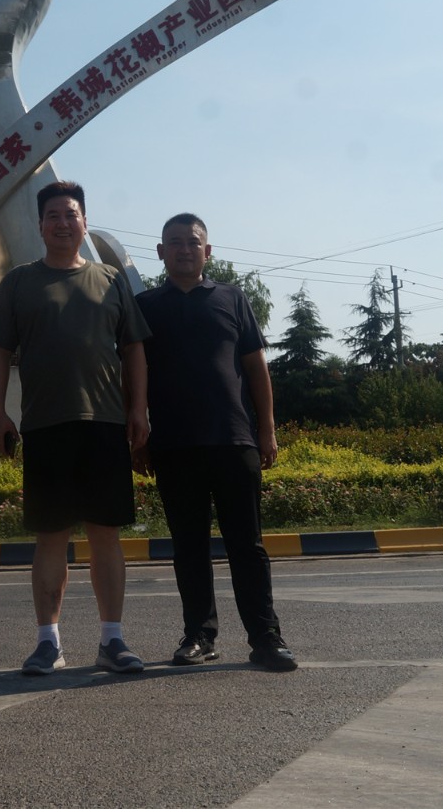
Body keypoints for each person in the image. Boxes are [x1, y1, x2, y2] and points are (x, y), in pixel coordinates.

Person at [0, 180, 151, 676]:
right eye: (53, 215)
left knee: (106, 536)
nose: (63, 222)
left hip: (105, 423)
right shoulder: (19, 282)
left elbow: (133, 349)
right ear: (40, 225)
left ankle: (112, 639)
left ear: (84, 222)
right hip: (45, 424)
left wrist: (139, 409)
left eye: (71, 214)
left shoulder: (111, 279)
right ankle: (48, 643)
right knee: (50, 537)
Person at [134, 213, 298, 672]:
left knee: (247, 545)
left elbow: (256, 366)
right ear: (160, 252)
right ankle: (199, 636)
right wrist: (138, 435)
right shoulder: (144, 305)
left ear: (208, 251)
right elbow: (133, 374)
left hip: (233, 438)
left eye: (193, 242)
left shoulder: (232, 298)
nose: (184, 249)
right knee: (188, 547)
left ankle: (265, 637)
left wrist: (266, 428)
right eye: (175, 242)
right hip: (173, 444)